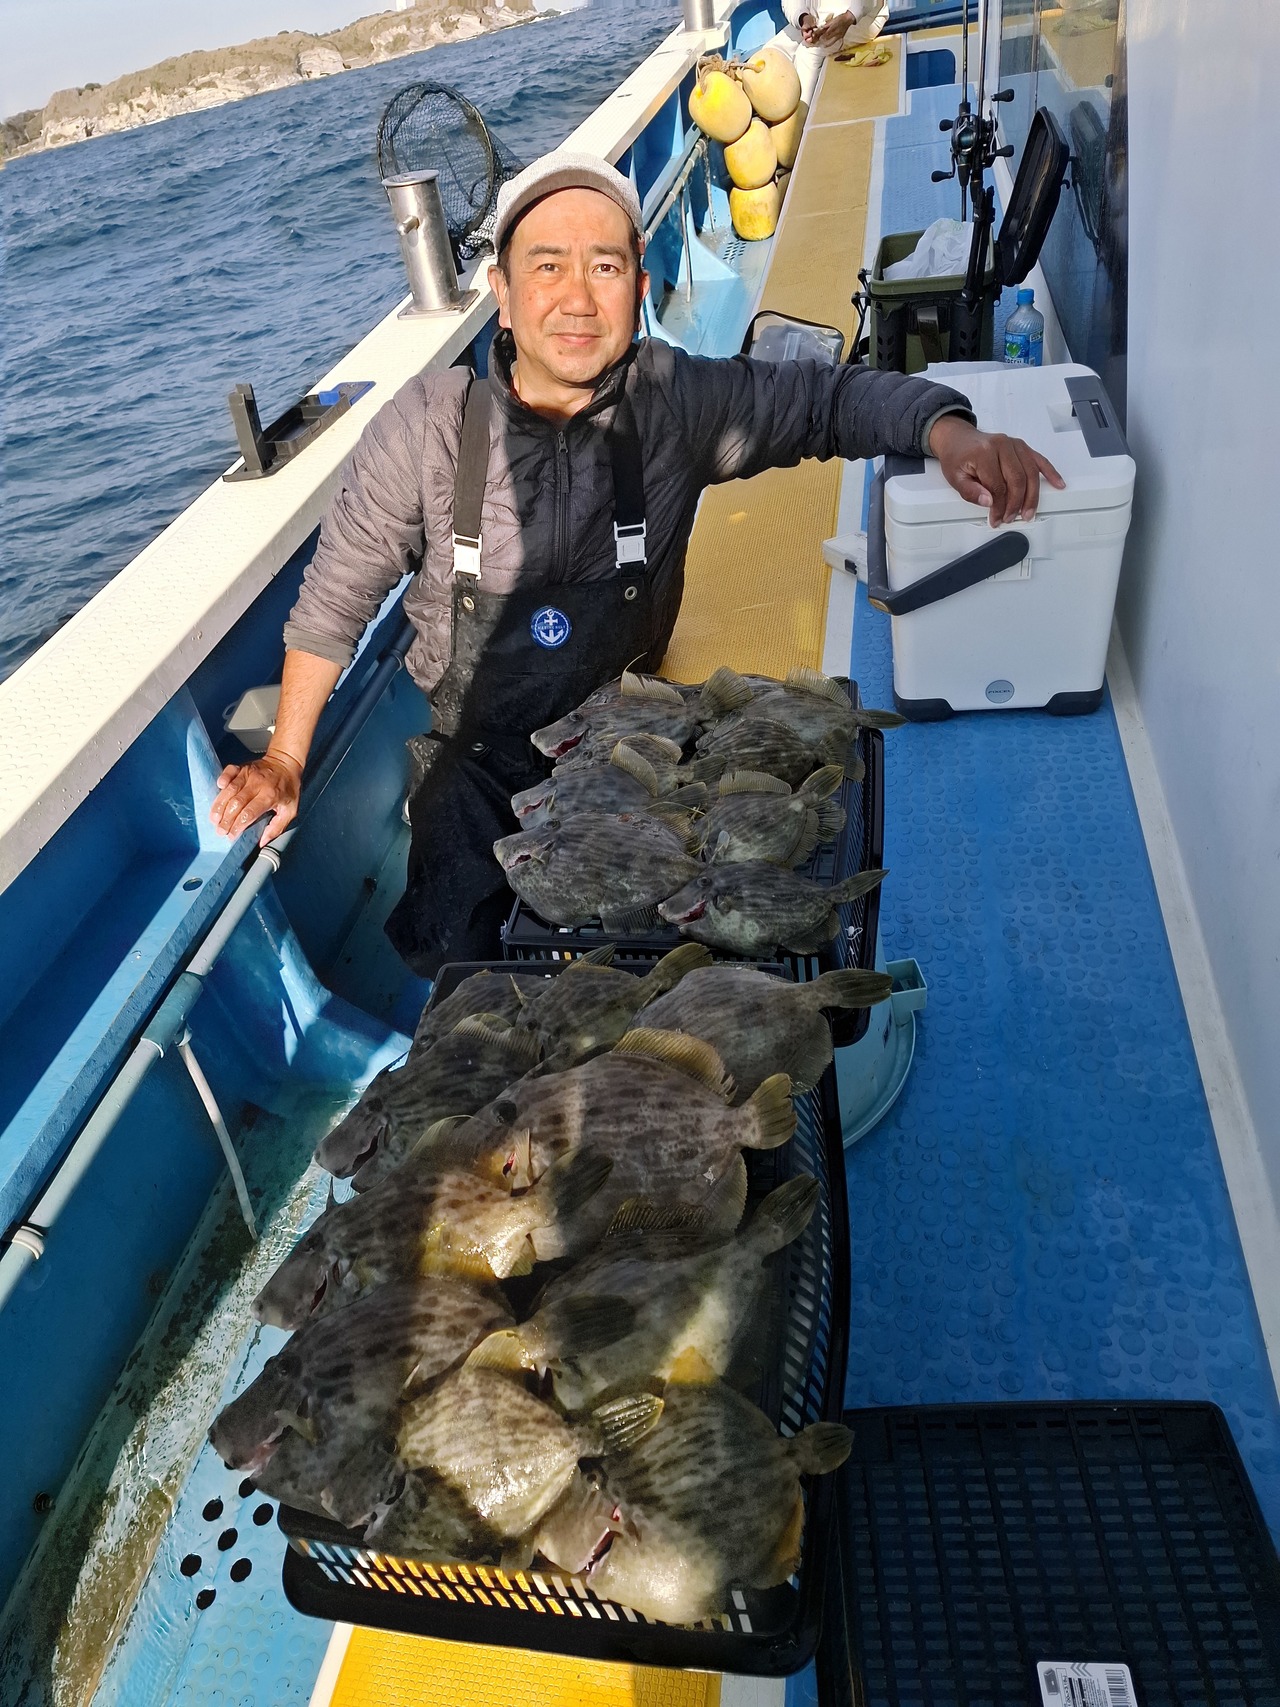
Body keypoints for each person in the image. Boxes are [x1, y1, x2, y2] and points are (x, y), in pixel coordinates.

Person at [210, 149, 1062, 977]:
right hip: (476, 768)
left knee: (701, 940)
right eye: (548, 267)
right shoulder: (426, 428)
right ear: (501, 294)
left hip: (634, 744)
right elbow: (334, 601)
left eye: (606, 268)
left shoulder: (673, 402)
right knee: (469, 975)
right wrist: (285, 758)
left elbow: (822, 401)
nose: (578, 299)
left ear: (642, 289)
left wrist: (945, 429)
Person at [773, 0, 890, 105]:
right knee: (774, 50)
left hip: (865, 15)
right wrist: (802, 18)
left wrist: (850, 16)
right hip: (818, 13)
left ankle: (803, 115)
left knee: (807, 55)